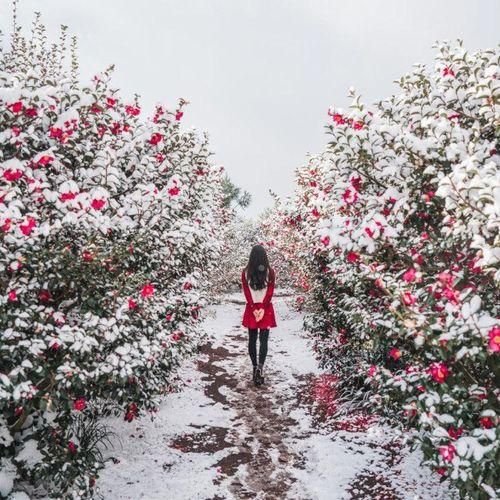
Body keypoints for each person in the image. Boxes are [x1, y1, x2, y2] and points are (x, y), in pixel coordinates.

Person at [241, 244, 277, 386]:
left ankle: (254, 367)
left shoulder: (245, 272)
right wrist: (262, 307)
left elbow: (246, 291)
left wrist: (253, 307)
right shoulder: (270, 272)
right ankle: (260, 367)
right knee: (264, 340)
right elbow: (270, 291)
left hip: (252, 308)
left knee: (252, 339)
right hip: (265, 308)